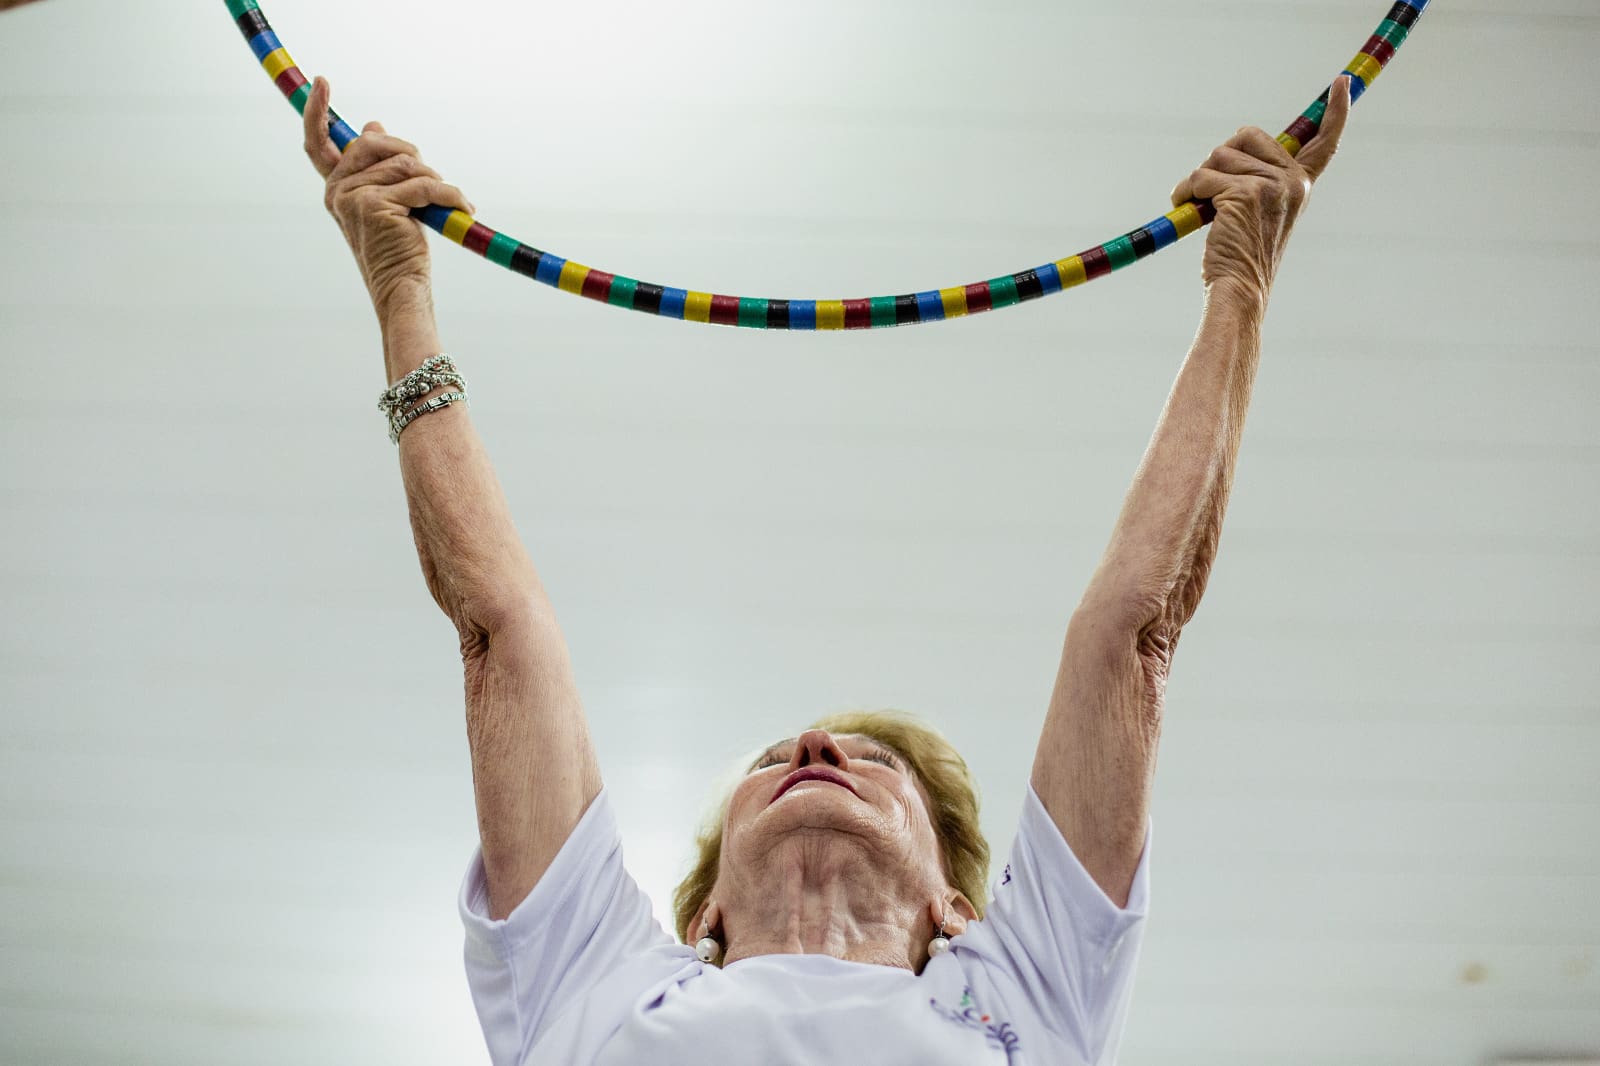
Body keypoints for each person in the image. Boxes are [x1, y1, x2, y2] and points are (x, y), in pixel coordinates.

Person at [301, 71, 1352, 1065]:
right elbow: (500, 629)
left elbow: (1134, 633)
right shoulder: (602, 982)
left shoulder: (1022, 990)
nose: (813, 748)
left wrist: (1240, 287)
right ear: (704, 915)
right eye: (779, 760)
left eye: (873, 764)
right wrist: (401, 292)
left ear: (957, 910)